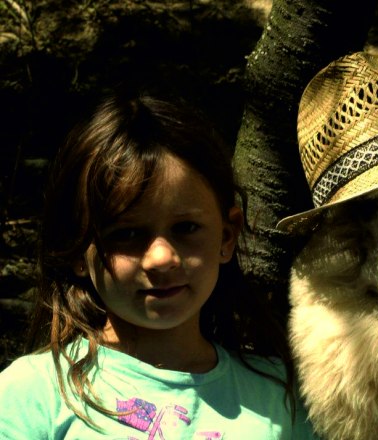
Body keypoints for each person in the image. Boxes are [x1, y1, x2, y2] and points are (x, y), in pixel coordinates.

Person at [0, 93, 317, 439]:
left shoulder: (283, 401)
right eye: (127, 234)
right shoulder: (32, 395)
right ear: (78, 249)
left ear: (227, 237)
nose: (162, 258)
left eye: (185, 228)